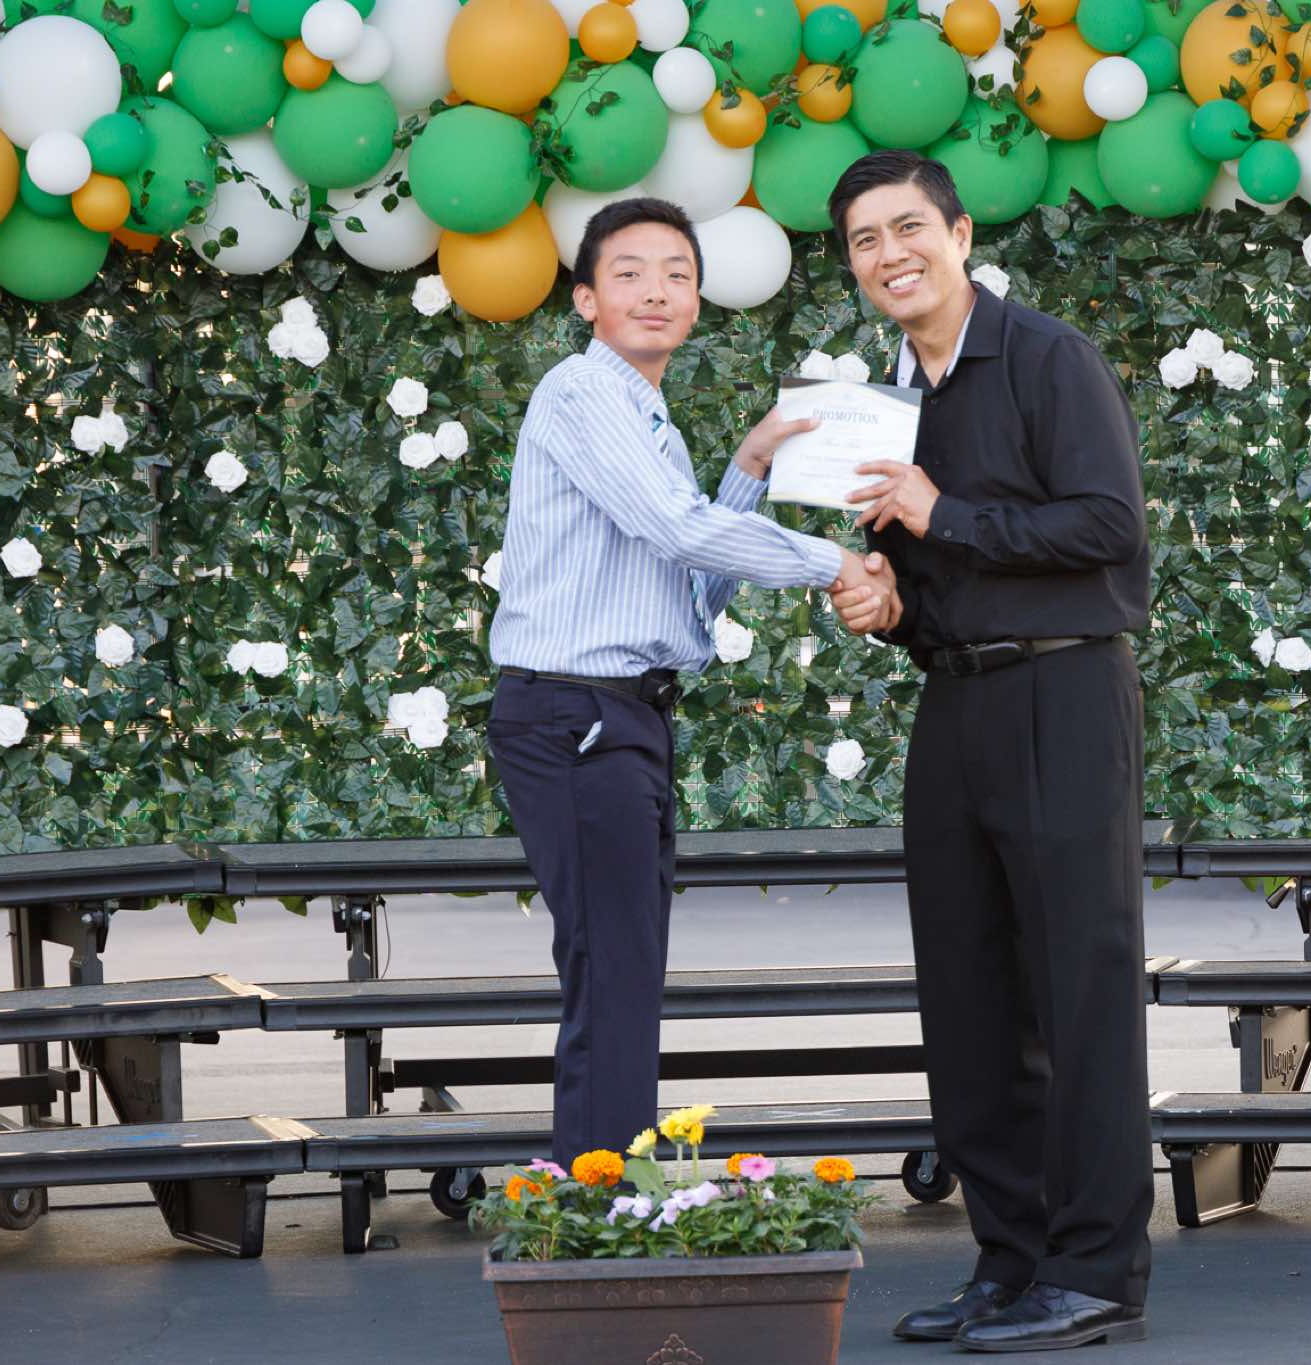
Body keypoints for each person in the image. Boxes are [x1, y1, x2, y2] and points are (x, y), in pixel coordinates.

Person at [486, 195, 895, 1166]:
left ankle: (605, 1196)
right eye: (628, 273)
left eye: (677, 274)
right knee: (612, 977)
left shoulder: (644, 417)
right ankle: (600, 1205)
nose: (656, 291)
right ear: (585, 299)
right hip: (578, 717)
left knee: (621, 976)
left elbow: (689, 602)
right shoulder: (583, 394)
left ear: (698, 301)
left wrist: (749, 465)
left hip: (618, 720)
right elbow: (676, 529)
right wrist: (835, 563)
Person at [826, 150, 1156, 1352]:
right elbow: (932, 578)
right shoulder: (881, 404)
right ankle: (1009, 1261)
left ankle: (1093, 1270)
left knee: (1079, 991)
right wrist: (887, 605)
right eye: (864, 240)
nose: (890, 254)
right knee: (966, 998)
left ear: (959, 235)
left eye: (908, 227)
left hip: (1063, 693)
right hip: (953, 703)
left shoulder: (1047, 358)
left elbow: (1108, 526)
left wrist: (941, 512)